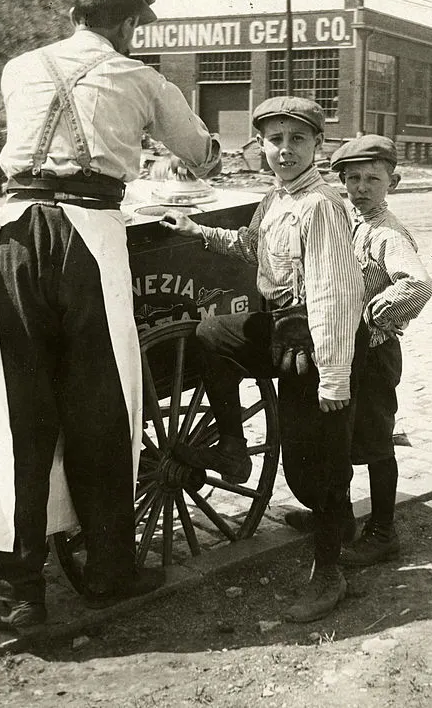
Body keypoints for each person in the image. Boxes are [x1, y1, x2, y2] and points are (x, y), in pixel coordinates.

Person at [0, 0, 221, 633]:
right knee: (100, 408)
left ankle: (17, 591)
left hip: (14, 235)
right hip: (87, 239)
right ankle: (110, 569)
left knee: (15, 409)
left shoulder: (18, 68)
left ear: (74, 12)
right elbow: (201, 154)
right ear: (131, 22)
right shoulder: (142, 78)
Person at [159, 97, 365, 623]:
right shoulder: (276, 199)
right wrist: (197, 231)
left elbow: (334, 295)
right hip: (281, 328)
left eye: (297, 140)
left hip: (321, 337)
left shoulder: (323, 205)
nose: (284, 151)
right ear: (262, 147)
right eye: (275, 140)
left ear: (319, 147)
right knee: (211, 334)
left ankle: (330, 571)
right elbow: (252, 248)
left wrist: (334, 378)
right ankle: (233, 446)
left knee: (313, 463)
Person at [283, 135, 432, 566]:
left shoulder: (388, 233)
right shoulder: (345, 221)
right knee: (340, 440)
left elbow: (418, 285)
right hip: (343, 352)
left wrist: (374, 319)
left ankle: (383, 531)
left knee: (374, 442)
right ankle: (339, 519)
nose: (362, 188)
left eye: (373, 178)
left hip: (372, 355)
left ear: (394, 182)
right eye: (352, 178)